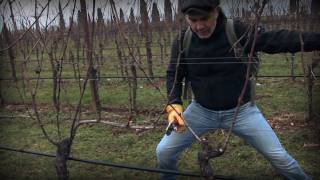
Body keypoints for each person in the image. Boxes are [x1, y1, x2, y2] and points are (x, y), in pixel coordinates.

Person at [156, 0, 320, 179]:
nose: (199, 26)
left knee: (280, 158)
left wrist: (316, 40)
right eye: (193, 20)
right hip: (201, 111)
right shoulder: (182, 41)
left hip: (242, 112)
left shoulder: (237, 31)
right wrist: (174, 104)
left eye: (204, 18)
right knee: (164, 151)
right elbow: (174, 74)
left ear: (216, 12)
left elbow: (276, 40)